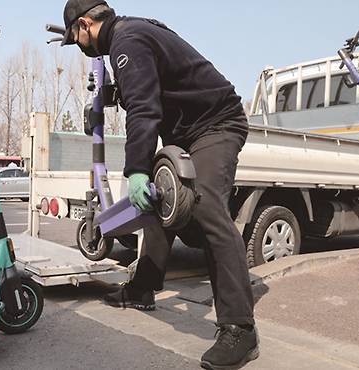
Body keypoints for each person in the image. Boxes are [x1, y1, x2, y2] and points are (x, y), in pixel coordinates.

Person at [59, 1, 258, 369]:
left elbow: (144, 107)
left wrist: (135, 168)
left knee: (204, 204)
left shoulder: (126, 42)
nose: (82, 48)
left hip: (216, 124)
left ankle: (239, 328)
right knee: (157, 199)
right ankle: (142, 288)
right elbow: (154, 85)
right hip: (185, 132)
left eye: (77, 40)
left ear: (85, 25)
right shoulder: (133, 31)